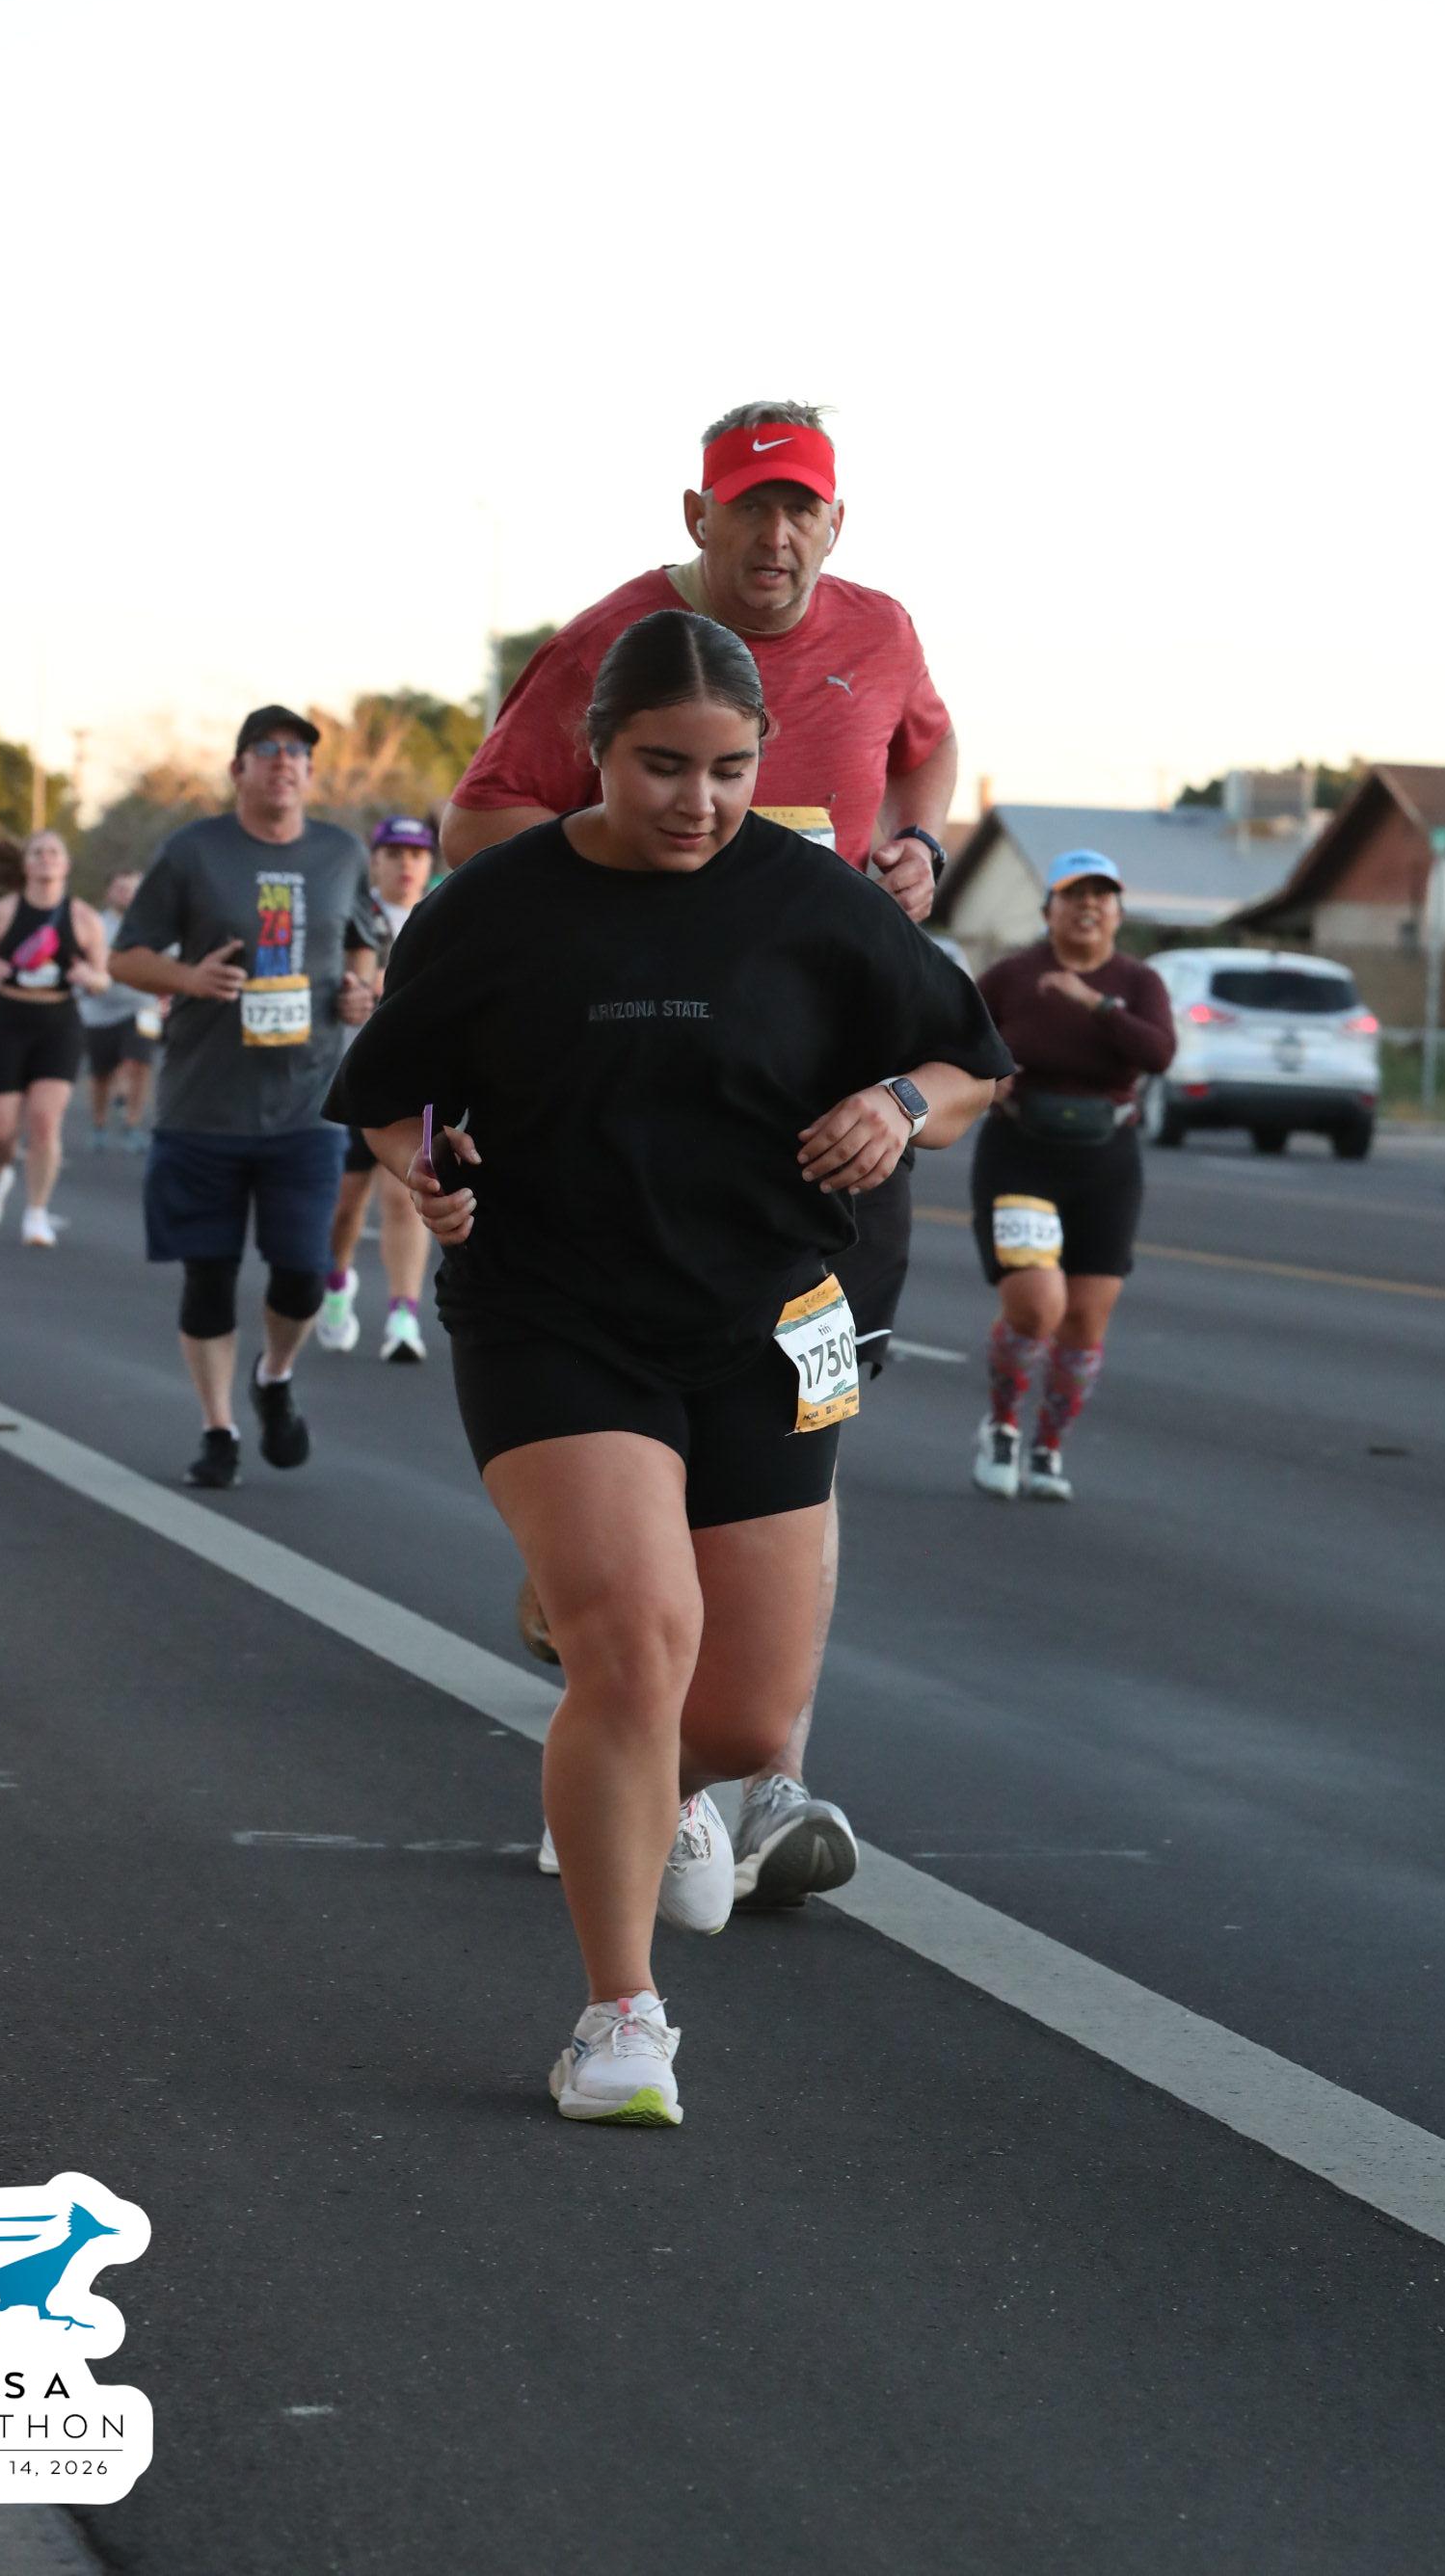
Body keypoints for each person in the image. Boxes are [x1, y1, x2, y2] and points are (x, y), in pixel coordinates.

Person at [326, 613, 1008, 2126]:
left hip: (763, 1321)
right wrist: (425, 1165)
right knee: (637, 1647)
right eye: (662, 767)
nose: (699, 802)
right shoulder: (495, 906)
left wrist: (901, 1104)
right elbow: (386, 1096)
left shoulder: (815, 902)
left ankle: (649, 1785)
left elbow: (971, 1062)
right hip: (554, 1313)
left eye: (730, 770)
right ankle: (619, 2019)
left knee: (750, 1723)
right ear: (596, 752)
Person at [443, 399, 959, 1908]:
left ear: (836, 524)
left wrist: (916, 845)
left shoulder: (883, 632)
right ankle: (623, 1725)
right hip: (640, 1115)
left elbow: (929, 752)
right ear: (699, 517)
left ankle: (759, 1769)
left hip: (829, 1116)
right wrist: (656, 893)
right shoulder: (610, 647)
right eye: (751, 509)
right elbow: (479, 825)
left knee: (805, 1417)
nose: (777, 536)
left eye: (803, 510)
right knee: (637, 1494)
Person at [109, 705, 384, 1489]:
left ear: (310, 773)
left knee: (302, 1272)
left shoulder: (340, 852)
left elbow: (363, 939)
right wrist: (188, 977)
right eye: (267, 749)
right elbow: (126, 957)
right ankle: (218, 1428)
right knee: (210, 1276)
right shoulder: (193, 852)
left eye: (298, 752)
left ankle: (274, 1377)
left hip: (307, 1104)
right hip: (204, 1105)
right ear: (238, 769)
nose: (284, 762)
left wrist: (360, 989)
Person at [970, 850, 1176, 1502]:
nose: (1088, 906)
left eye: (1101, 895)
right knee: (1037, 1307)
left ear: (1117, 912)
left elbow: (1159, 1053)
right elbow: (955, 1036)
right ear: (1048, 910)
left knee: (1085, 1322)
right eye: (1073, 894)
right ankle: (1002, 1426)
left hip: (1107, 1161)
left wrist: (1096, 1004)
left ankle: (1048, 1447)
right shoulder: (1012, 976)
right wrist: (986, 1077)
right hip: (1022, 1154)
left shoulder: (1137, 981)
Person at [317, 815, 439, 1363]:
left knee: (406, 1198)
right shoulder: (352, 915)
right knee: (346, 1208)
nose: (406, 864)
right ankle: (337, 1285)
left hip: (415, 1083)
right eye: (394, 853)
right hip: (349, 1078)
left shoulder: (445, 911)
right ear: (376, 861)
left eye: (416, 854)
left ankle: (403, 1316)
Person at [0, 831, 111, 1248]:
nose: (46, 859)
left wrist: (90, 977)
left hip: (58, 1023)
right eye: (38, 853)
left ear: (66, 865)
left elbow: (103, 977)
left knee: (46, 1123)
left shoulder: (84, 918)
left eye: (54, 852)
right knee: (0, 1131)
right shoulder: (1, 913)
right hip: (7, 1020)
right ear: (26, 864)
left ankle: (36, 1212)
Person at [78, 870, 162, 1151]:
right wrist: (86, 985)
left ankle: (132, 1125)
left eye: (133, 889)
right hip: (99, 1010)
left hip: (143, 1007)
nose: (127, 895)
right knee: (100, 1074)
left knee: (140, 1065)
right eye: (121, 889)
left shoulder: (154, 925)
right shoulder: (94, 925)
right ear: (109, 893)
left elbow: (170, 960)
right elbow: (78, 964)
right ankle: (99, 1125)